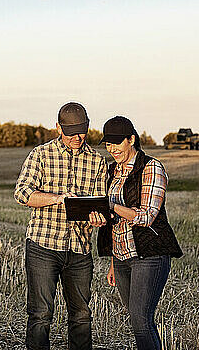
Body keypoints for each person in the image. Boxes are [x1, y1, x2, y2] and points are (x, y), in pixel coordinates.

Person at [14, 102, 107, 350]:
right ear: (58, 127)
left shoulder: (97, 161)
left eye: (83, 131)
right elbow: (22, 194)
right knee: (41, 315)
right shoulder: (40, 154)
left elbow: (99, 203)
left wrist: (97, 217)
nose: (78, 137)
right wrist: (58, 198)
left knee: (81, 317)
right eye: (71, 131)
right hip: (43, 247)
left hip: (79, 250)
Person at [92, 116, 183, 350]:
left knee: (140, 319)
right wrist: (113, 261)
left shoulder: (151, 168)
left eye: (117, 143)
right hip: (122, 258)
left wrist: (110, 206)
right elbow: (112, 223)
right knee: (135, 320)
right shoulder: (111, 171)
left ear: (131, 139)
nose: (112, 149)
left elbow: (146, 216)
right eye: (108, 144)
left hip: (149, 254)